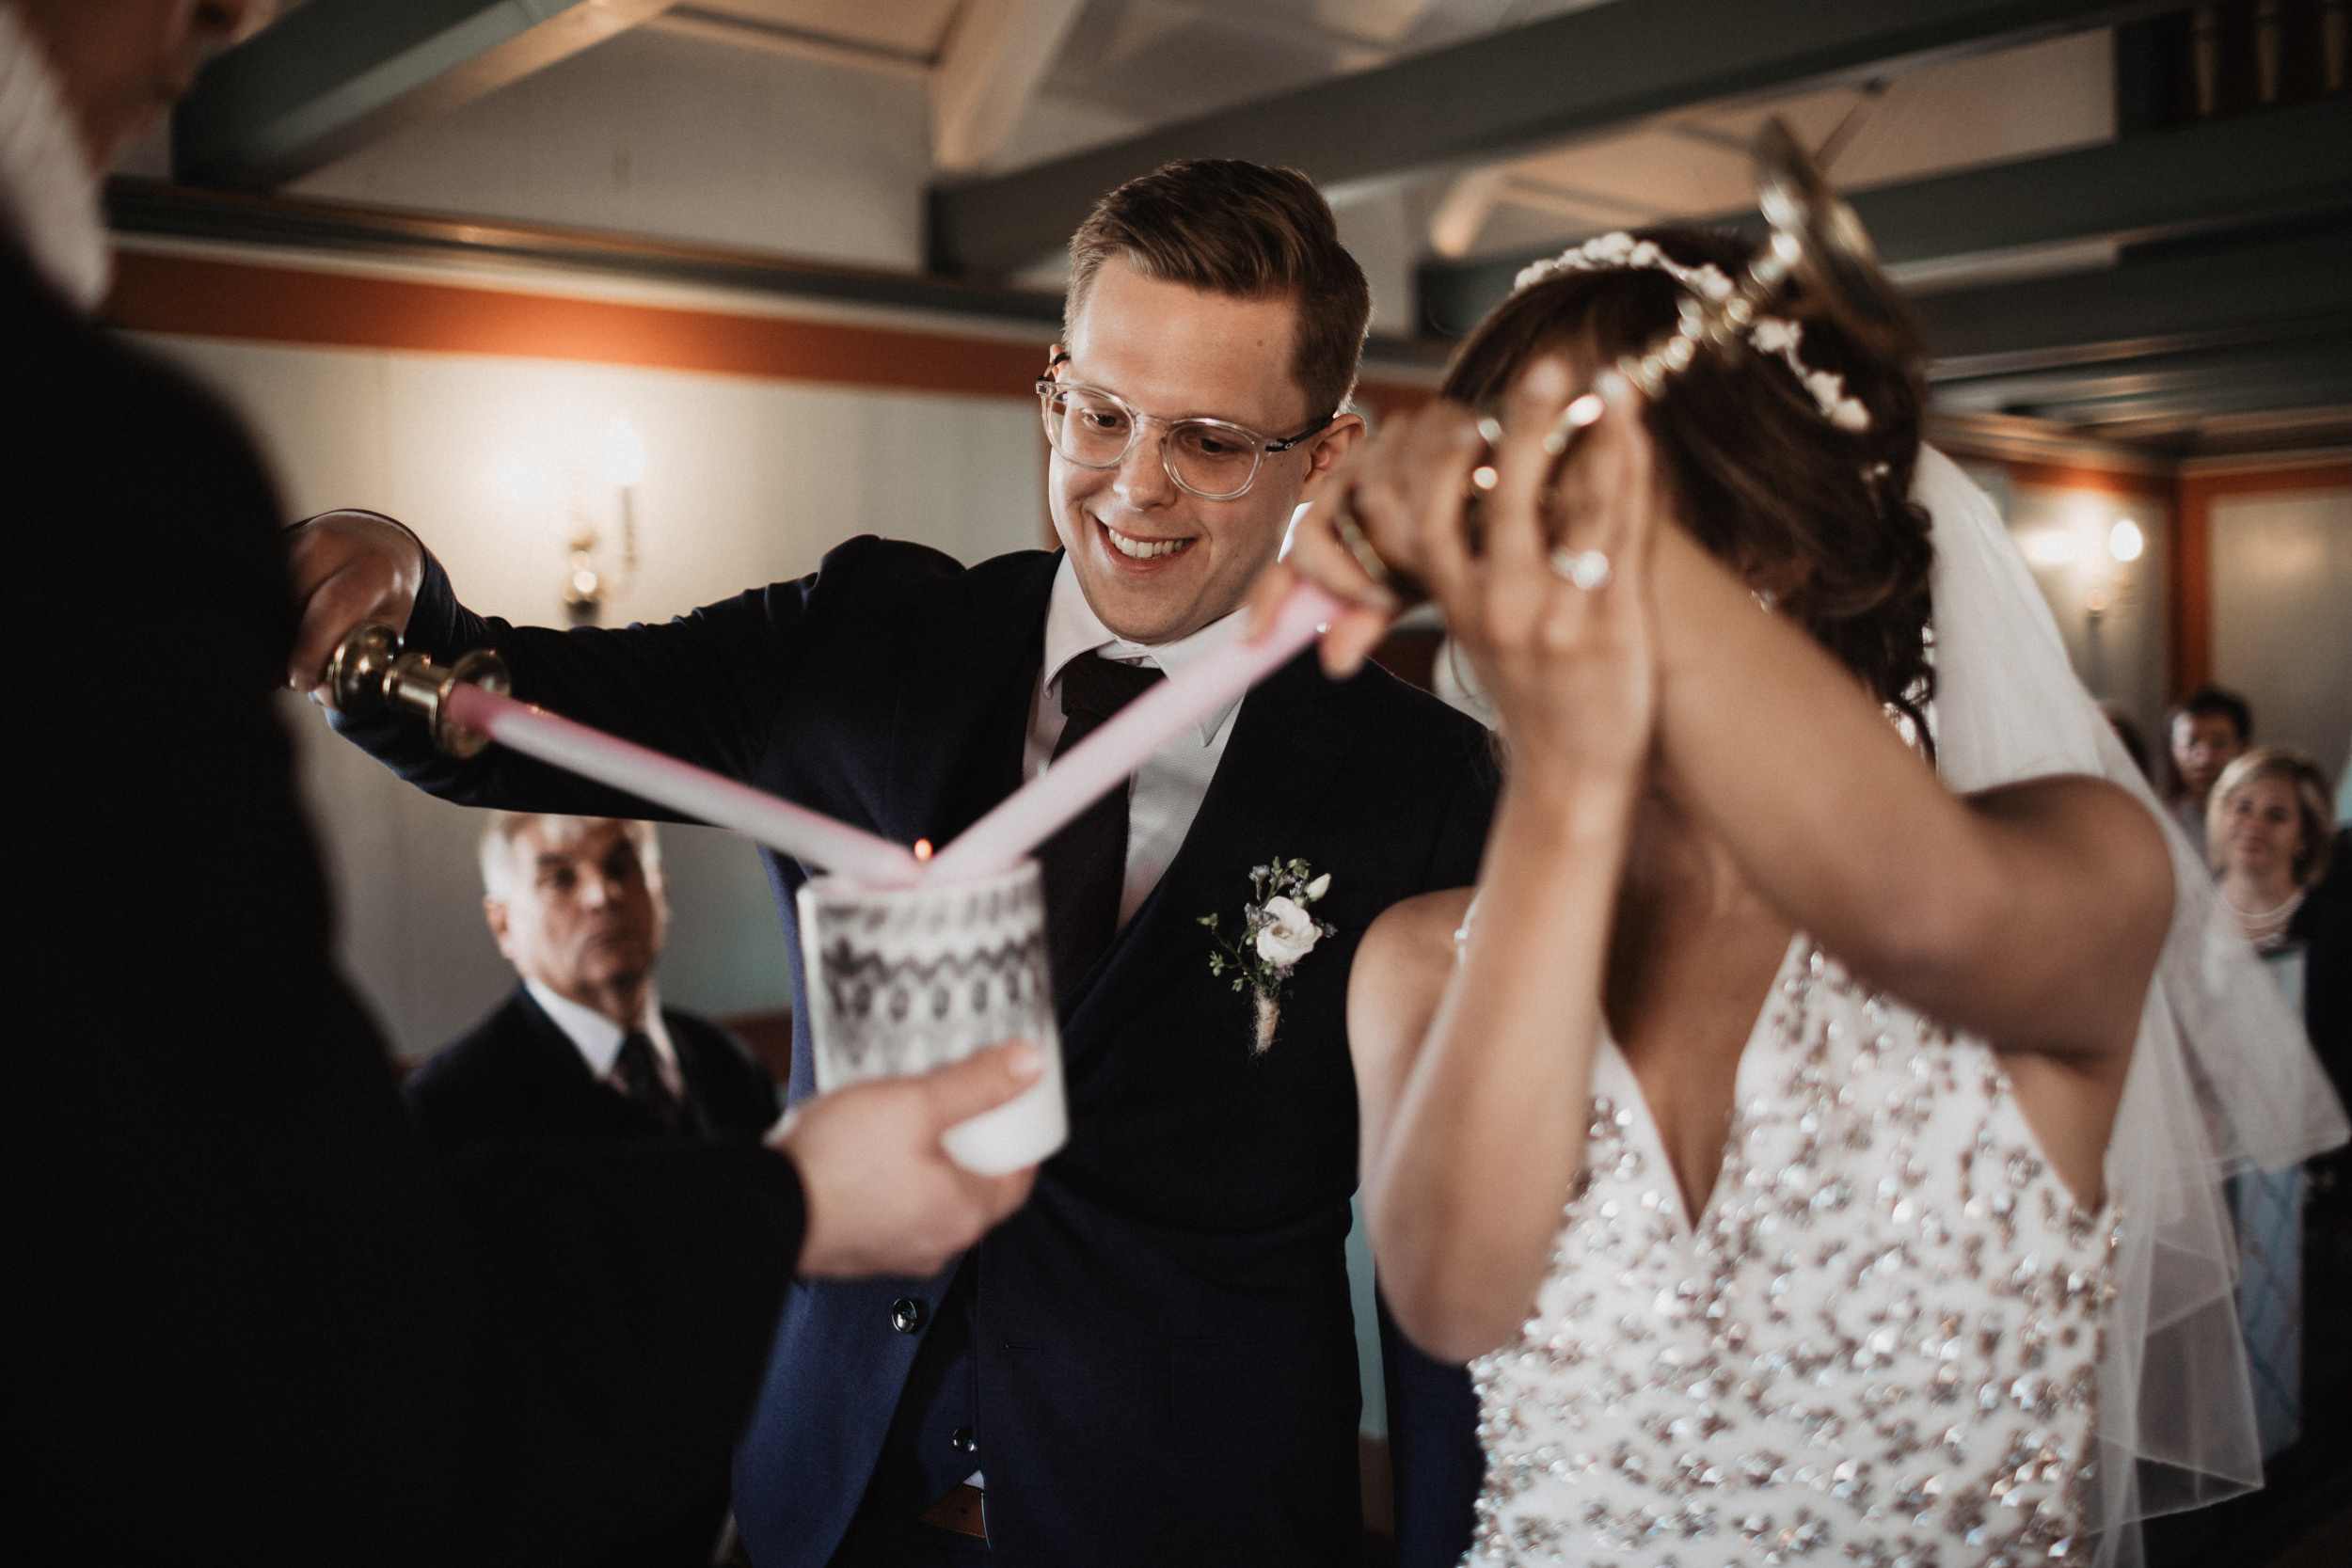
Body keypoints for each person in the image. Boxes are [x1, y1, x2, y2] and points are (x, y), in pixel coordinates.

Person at [283, 160, 1497, 1565]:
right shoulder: (868, 636)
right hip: (827, 1501)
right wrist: (397, 582)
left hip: (1187, 1517)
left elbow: (1445, 1249)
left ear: (1327, 453)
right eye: (1097, 413)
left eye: (1212, 440)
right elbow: (511, 722)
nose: (1134, 484)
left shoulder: (1416, 782)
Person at [6, 5, 1039, 1564]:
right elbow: (269, 1281)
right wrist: (788, 1205)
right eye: (1099, 411)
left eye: (1214, 438)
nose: (226, 23)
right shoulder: (87, 467)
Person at [1262, 227, 2345, 1565]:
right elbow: (1450, 1293)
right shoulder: (1423, 957)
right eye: (1509, 464)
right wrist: (1574, 770)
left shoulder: (2083, 855)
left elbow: (1929, 918)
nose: (1519, 515)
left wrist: (1597, 573)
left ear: (1768, 538)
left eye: (1573, 465)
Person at [408, 814, 779, 1155]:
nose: (602, 895)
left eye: (621, 866)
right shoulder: (448, 1106)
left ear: (661, 889)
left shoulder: (733, 1066)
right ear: (503, 925)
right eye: (560, 878)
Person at [2168, 686, 2253, 861]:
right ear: (2174, 749)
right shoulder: (2165, 823)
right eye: (2190, 743)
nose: (2203, 759)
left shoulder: (2261, 823)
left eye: (2218, 743)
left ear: (2243, 748)